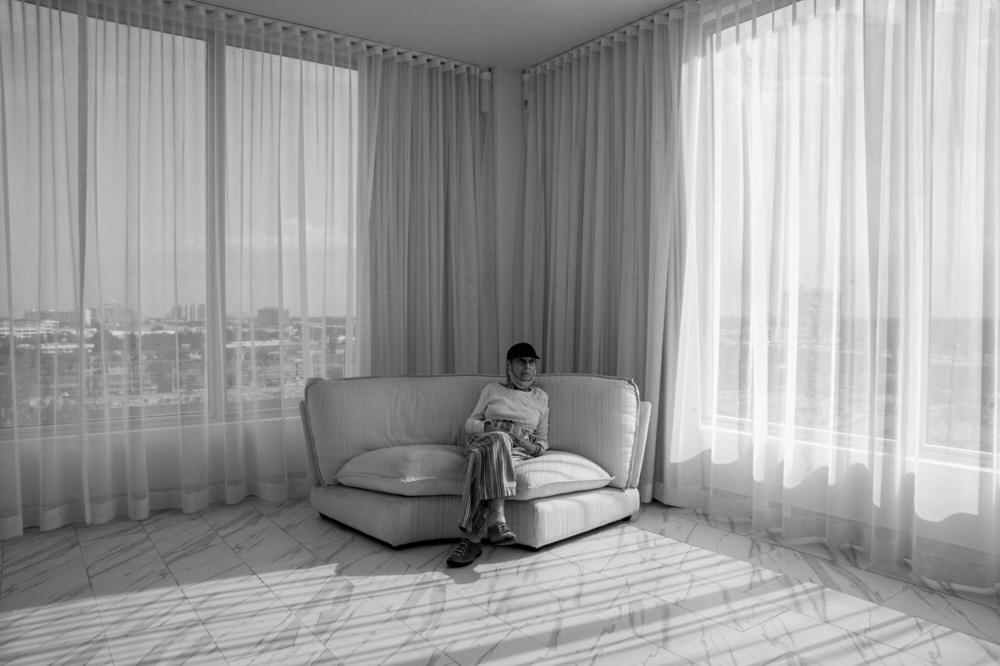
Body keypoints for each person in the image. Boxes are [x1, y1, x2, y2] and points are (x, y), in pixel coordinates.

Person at [445, 342, 549, 567]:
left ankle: (471, 540)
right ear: (509, 365)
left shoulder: (541, 398)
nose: (527, 367)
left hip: (516, 448)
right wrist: (489, 429)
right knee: (498, 440)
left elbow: (542, 439)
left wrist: (533, 447)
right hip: (485, 437)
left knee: (480, 460)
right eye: (521, 361)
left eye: (531, 362)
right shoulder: (492, 389)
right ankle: (497, 518)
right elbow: (470, 423)